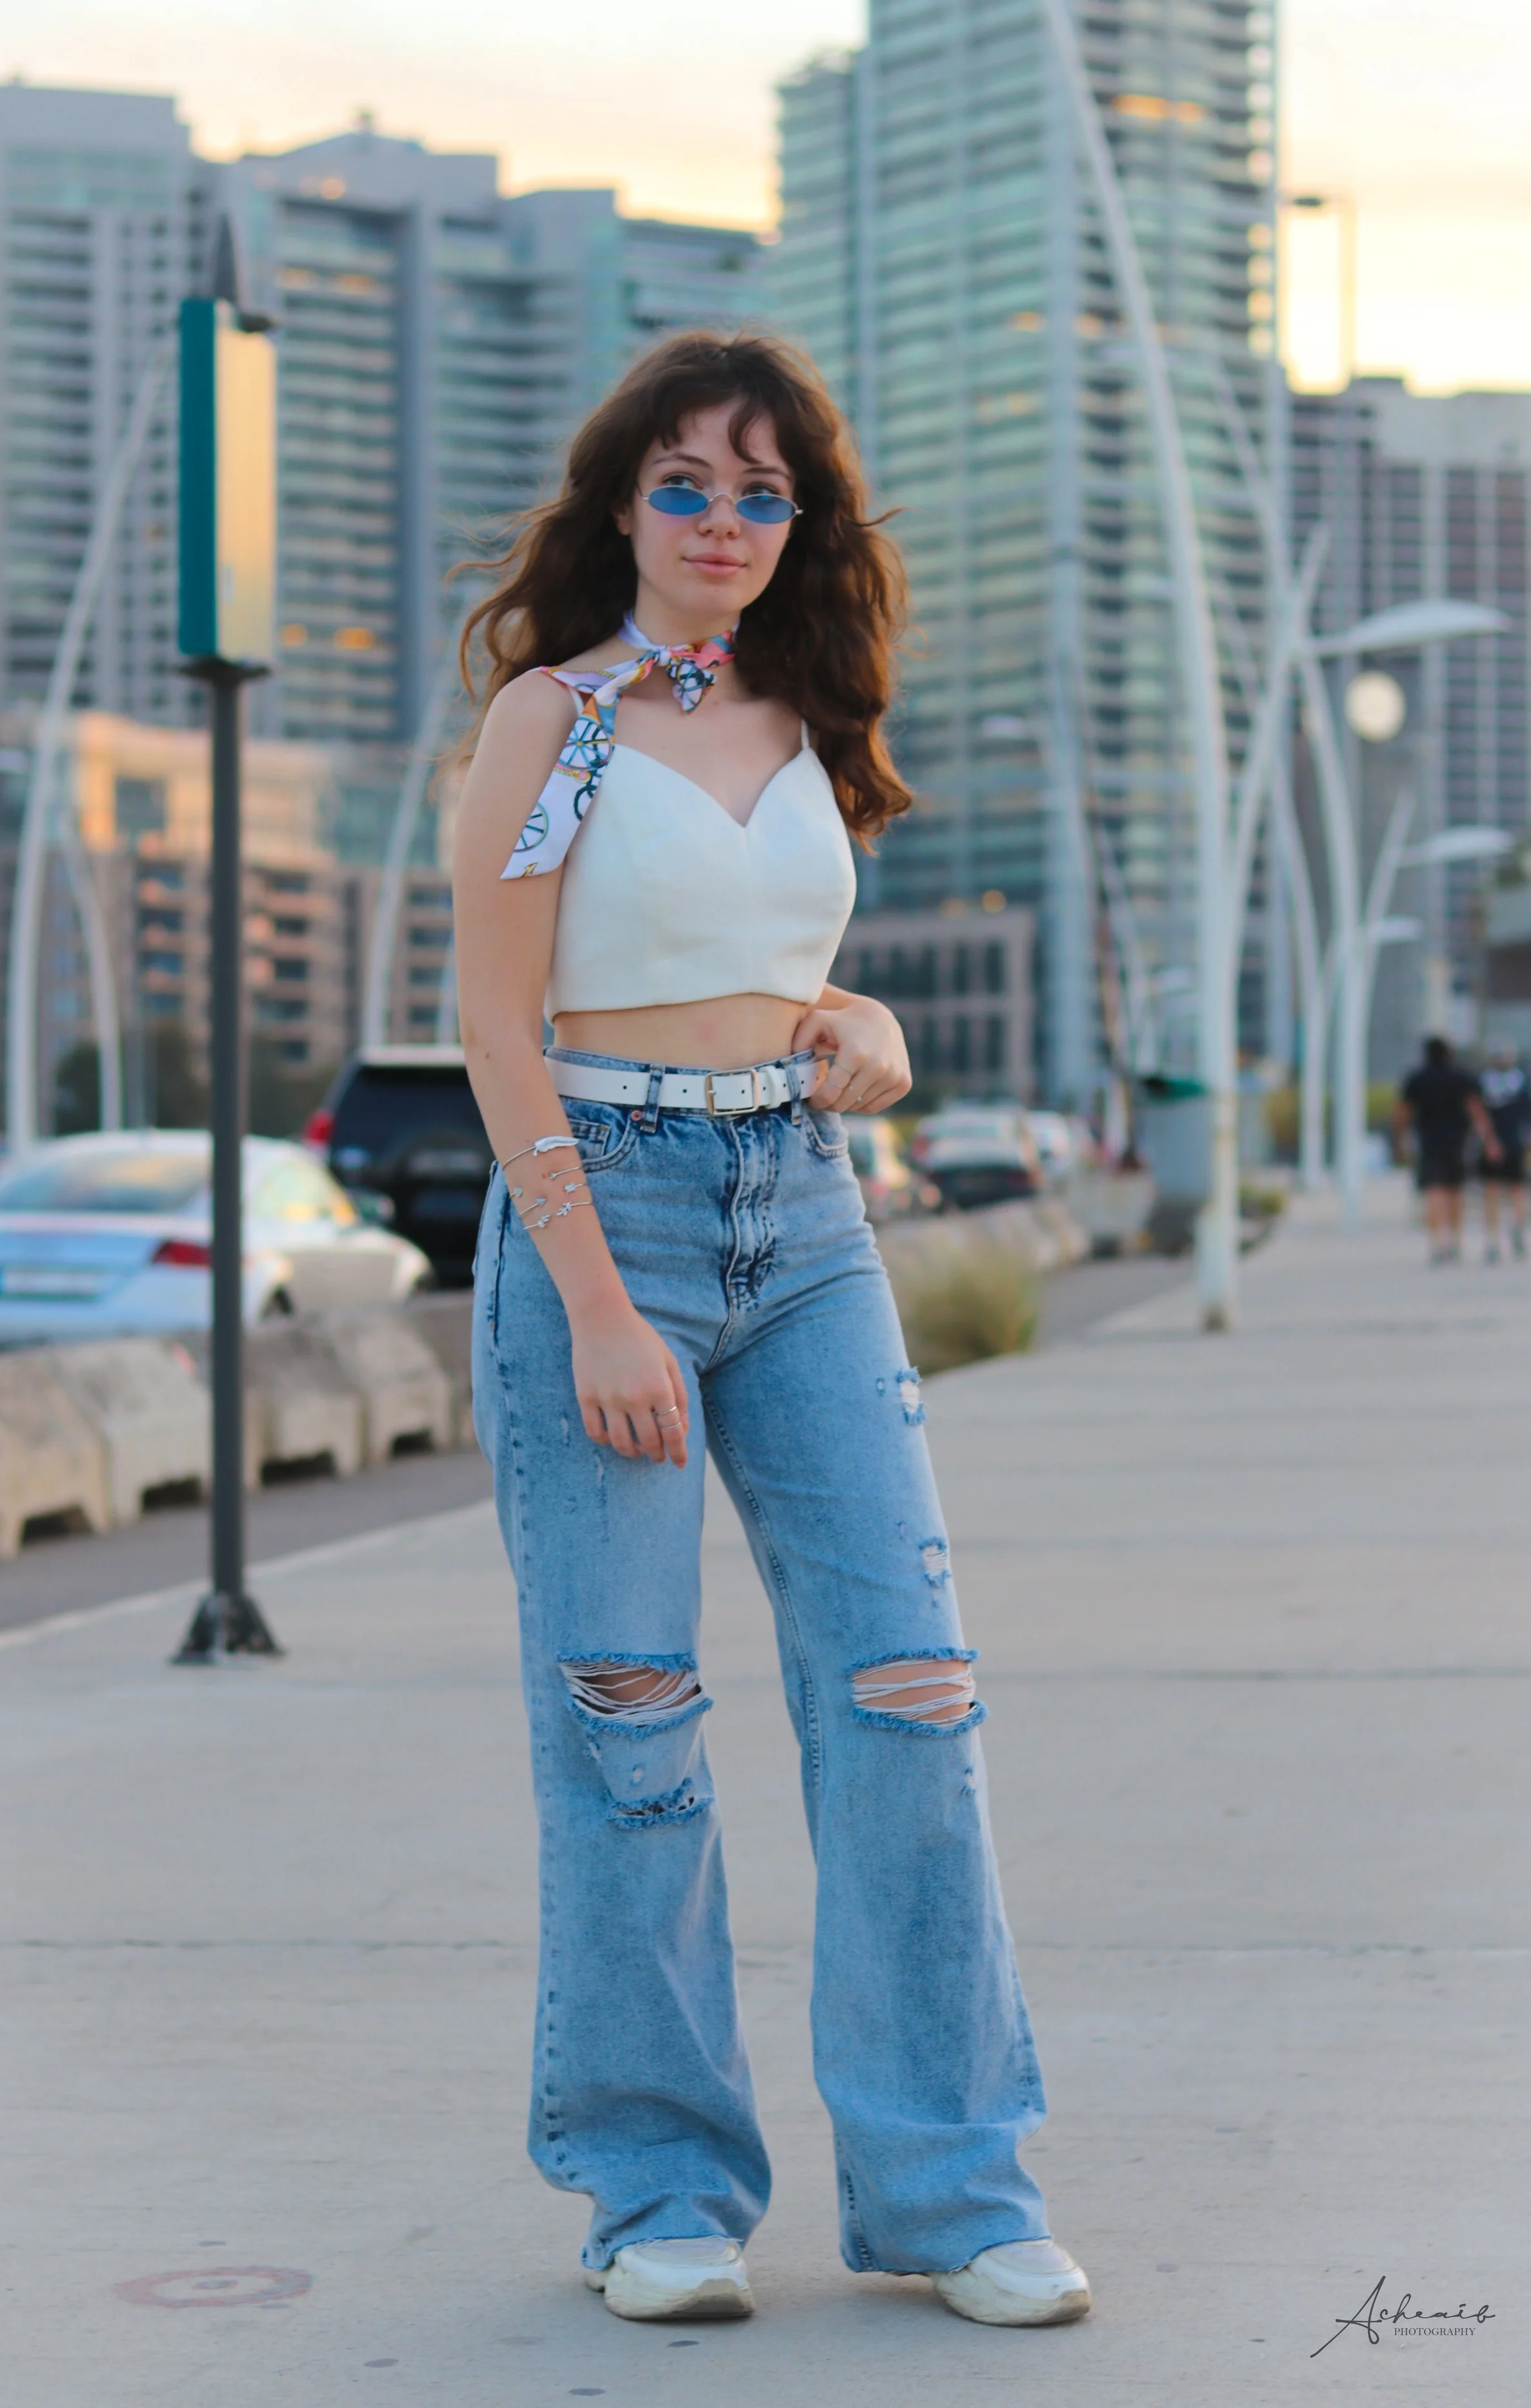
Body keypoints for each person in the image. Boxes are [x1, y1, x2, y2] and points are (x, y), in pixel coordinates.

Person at [451, 333, 1089, 2332]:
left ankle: (948, 2182)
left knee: (906, 1685)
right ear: (619, 503)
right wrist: (592, 1302)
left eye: (759, 491)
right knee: (627, 1709)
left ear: (793, 520)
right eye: (686, 483)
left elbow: (788, 976)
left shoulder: (809, 711)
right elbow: (497, 1025)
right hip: (604, 1211)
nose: (722, 520)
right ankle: (653, 2187)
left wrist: (872, 1035)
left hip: (803, 1217)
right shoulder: (549, 721)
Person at [1394, 1034, 1498, 1262]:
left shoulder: (1417, 1078)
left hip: (1429, 1142)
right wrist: (1488, 1139)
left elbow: (1403, 1114)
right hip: (1457, 1143)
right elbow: (1476, 1110)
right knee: (1455, 1192)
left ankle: (1435, 1244)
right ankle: (1455, 1241)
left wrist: (1399, 1141)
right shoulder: (1461, 1077)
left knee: (1434, 1193)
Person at [1478, 1042, 1531, 1261]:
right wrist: (1487, 1140)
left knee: (1517, 1190)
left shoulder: (1521, 1081)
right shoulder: (1484, 1082)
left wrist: (1530, 1141)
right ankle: (1493, 1239)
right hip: (1492, 1143)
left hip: (1515, 1143)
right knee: (1492, 1191)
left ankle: (1518, 1229)